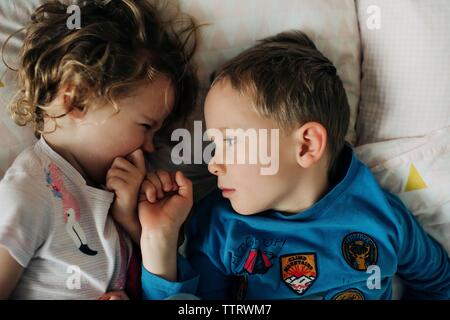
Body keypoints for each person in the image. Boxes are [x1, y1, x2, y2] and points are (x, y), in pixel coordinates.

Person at [137, 30, 450, 300]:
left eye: (230, 142)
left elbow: (440, 283)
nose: (214, 164)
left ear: (306, 145)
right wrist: (159, 242)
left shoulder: (382, 217)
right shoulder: (222, 228)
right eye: (214, 146)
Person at [0, 0, 198, 300]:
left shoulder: (112, 190)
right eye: (146, 126)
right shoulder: (29, 190)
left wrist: (132, 221)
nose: (149, 146)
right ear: (77, 101)